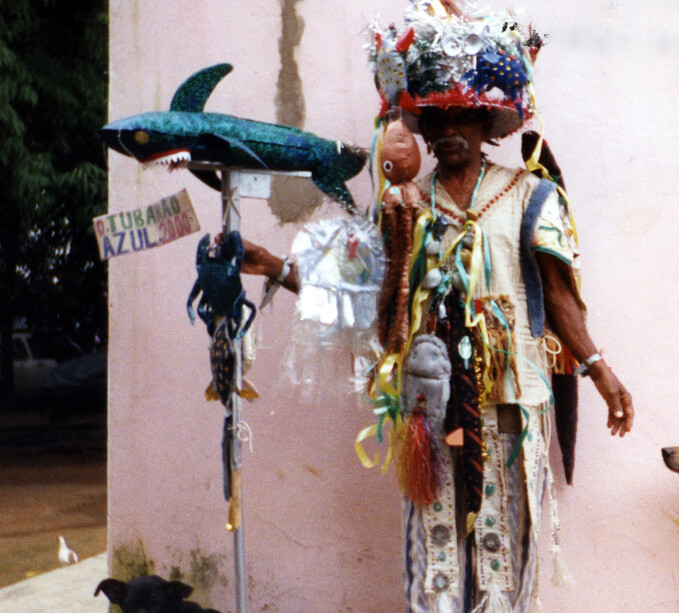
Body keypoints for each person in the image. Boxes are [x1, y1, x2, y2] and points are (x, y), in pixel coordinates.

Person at [241, 2, 633, 611]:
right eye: (438, 118)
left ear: (488, 123)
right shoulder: (401, 205)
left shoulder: (532, 195)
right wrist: (276, 266)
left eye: (465, 116)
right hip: (429, 395)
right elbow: (360, 289)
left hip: (513, 396)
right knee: (439, 549)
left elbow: (558, 295)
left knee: (503, 549)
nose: (451, 129)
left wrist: (600, 371)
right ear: (421, 129)